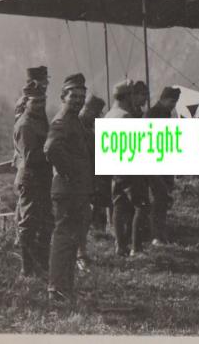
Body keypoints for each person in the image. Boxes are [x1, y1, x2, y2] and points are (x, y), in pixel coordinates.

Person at [44, 73, 93, 303]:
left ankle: (65, 287)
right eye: (73, 96)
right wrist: (71, 172)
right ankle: (56, 288)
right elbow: (51, 148)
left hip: (74, 189)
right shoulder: (63, 119)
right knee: (64, 238)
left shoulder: (74, 118)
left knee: (72, 238)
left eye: (82, 96)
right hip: (67, 189)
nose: (78, 100)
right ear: (63, 96)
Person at [13, 80, 53, 277]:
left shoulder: (38, 120)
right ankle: (27, 269)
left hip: (41, 179)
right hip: (31, 179)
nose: (40, 105)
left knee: (46, 223)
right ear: (26, 102)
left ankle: (41, 265)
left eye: (42, 101)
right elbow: (31, 157)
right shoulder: (26, 125)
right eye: (35, 102)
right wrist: (53, 152)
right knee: (29, 225)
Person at [107, 80, 149, 256]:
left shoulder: (109, 115)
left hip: (115, 169)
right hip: (129, 168)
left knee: (119, 205)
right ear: (127, 96)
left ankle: (120, 245)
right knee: (142, 205)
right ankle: (136, 248)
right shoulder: (125, 117)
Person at [144, 87, 181, 245]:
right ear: (164, 99)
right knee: (159, 200)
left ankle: (160, 232)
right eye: (172, 101)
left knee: (163, 200)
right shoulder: (153, 114)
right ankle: (156, 235)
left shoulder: (163, 113)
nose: (174, 105)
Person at [77, 94, 106, 271]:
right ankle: (79, 255)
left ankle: (81, 252)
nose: (98, 117)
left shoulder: (87, 128)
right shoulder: (78, 128)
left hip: (87, 181)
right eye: (96, 113)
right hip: (78, 181)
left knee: (84, 218)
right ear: (87, 110)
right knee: (79, 219)